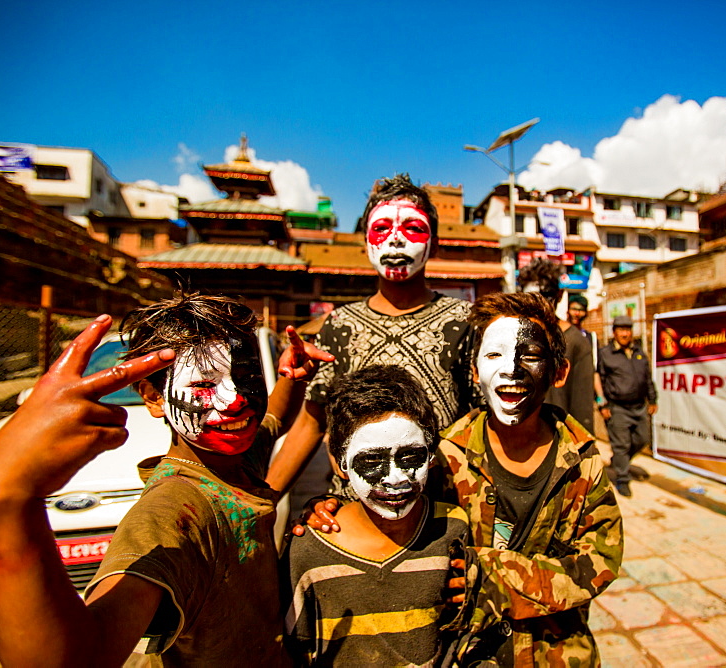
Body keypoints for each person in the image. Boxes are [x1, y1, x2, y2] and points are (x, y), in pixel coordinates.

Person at [0, 293, 332, 666]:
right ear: (154, 397)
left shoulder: (233, 455)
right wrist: (1, 499)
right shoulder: (171, 515)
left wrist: (292, 376)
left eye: (246, 377)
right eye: (205, 384)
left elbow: (274, 420)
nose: (235, 399)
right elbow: (77, 658)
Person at [302, 292, 623, 665]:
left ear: (559, 371)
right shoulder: (443, 458)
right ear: (473, 371)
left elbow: (600, 559)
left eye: (531, 356)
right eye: (494, 355)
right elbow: (392, 527)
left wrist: (492, 578)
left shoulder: (582, 462)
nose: (512, 369)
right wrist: (331, 515)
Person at [267, 173, 476, 497]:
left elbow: (486, 424)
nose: (395, 239)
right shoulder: (339, 325)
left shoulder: (464, 321)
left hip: (443, 510)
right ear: (365, 243)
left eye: (412, 228)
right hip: (354, 510)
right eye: (381, 229)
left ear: (434, 244)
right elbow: (311, 424)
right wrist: (263, 502)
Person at [281, 365, 469, 666]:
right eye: (371, 461)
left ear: (431, 456)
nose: (395, 478)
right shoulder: (308, 552)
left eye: (410, 457)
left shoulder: (453, 529)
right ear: (342, 462)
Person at [517, 257, 597, 436]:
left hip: (558, 442)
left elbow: (582, 405)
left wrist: (583, 449)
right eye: (530, 297)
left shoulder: (576, 342)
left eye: (545, 296)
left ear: (559, 296)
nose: (538, 305)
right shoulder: (513, 337)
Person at [594, 314, 658, 498]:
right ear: (614, 332)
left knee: (642, 439)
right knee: (621, 444)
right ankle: (623, 478)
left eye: (628, 330)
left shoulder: (639, 353)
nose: (625, 333)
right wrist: (602, 404)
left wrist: (652, 399)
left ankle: (619, 462)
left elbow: (647, 379)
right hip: (617, 407)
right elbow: (599, 380)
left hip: (638, 406)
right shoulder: (606, 354)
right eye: (621, 330)